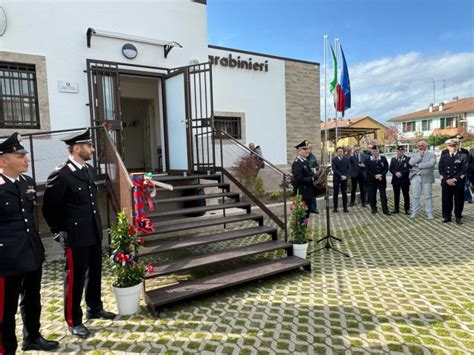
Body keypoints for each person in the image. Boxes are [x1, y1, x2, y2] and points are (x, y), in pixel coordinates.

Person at [42, 128, 115, 339]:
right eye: (89, 146)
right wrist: (59, 232)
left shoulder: (88, 170)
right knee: (74, 278)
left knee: (95, 272)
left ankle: (95, 307)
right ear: (76, 148)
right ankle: (74, 320)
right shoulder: (61, 174)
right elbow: (50, 209)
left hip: (92, 232)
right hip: (75, 236)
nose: (92, 149)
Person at [0, 132, 59, 354]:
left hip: (31, 253)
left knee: (33, 300)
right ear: (3, 160)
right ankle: (6, 349)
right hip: (6, 260)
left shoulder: (27, 182)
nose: (27, 159)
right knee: (6, 310)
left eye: (25, 155)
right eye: (20, 156)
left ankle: (32, 337)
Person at [438, 138, 469, 224]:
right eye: (451, 146)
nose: (453, 148)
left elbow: (464, 169)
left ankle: (458, 217)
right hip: (446, 182)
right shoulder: (444, 156)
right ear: (448, 147)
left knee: (458, 200)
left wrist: (455, 179)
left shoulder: (463, 155)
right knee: (446, 200)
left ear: (457, 145)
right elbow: (441, 168)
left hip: (458, 182)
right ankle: (447, 216)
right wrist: (447, 179)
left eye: (455, 146)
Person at [409, 140, 436, 220]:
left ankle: (429, 213)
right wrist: (419, 157)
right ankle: (414, 212)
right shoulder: (415, 154)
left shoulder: (432, 154)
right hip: (415, 177)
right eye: (419, 146)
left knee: (428, 196)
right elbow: (410, 163)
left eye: (421, 145)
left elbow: (431, 164)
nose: (420, 147)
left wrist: (418, 165)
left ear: (426, 146)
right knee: (415, 196)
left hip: (426, 177)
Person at [441, 135, 472, 204]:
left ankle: (467, 198)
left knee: (461, 194)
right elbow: (442, 166)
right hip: (448, 179)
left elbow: (466, 164)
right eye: (458, 139)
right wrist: (447, 179)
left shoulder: (464, 151)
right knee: (447, 200)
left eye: (460, 139)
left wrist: (457, 178)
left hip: (460, 177)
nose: (459, 141)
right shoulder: (445, 152)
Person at [291, 139, 317, 217]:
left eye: (307, 149)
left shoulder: (305, 161)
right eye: (305, 149)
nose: (307, 151)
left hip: (308, 193)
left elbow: (309, 173)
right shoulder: (297, 163)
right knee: (302, 215)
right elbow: (299, 178)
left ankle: (304, 228)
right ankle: (301, 228)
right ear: (299, 151)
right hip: (301, 194)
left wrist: (315, 175)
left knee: (307, 214)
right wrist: (312, 179)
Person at [366, 145, 390, 215]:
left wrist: (381, 175)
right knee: (372, 195)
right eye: (374, 151)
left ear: (378, 151)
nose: (375, 152)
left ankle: (385, 210)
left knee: (383, 195)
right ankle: (373, 209)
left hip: (381, 180)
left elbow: (386, 168)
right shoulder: (368, 159)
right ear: (371, 151)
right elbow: (367, 170)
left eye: (376, 151)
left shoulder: (383, 158)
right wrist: (375, 176)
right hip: (372, 180)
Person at [389, 145, 411, 214]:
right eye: (398, 150)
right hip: (395, 180)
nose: (400, 152)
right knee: (396, 195)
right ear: (397, 151)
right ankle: (396, 209)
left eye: (401, 150)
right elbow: (391, 168)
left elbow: (409, 168)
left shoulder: (408, 159)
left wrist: (401, 173)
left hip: (404, 180)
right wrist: (395, 172)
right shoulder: (393, 159)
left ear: (404, 151)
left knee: (406, 195)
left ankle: (407, 209)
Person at [331, 147, 350, 213]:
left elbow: (349, 168)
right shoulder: (334, 159)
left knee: (344, 193)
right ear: (336, 152)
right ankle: (335, 208)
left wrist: (345, 176)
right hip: (336, 178)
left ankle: (345, 208)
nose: (340, 152)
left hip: (344, 178)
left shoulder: (346, 159)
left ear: (343, 152)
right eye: (338, 151)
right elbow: (334, 169)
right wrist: (341, 175)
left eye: (341, 151)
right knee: (335, 193)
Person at [307, 144, 320, 214]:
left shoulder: (313, 157)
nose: (309, 149)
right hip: (305, 179)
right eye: (308, 148)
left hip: (312, 178)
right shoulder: (303, 157)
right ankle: (306, 208)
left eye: (310, 148)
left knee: (313, 194)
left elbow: (318, 167)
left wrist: (314, 169)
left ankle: (313, 208)